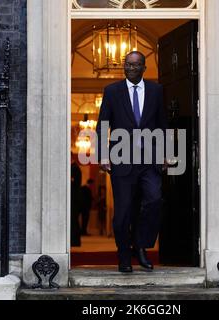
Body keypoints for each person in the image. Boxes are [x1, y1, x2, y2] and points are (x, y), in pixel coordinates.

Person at [95, 51, 168, 273]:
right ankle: (124, 255)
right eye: (128, 64)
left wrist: (164, 153)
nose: (131, 68)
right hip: (122, 159)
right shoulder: (112, 91)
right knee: (124, 212)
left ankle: (141, 246)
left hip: (149, 159)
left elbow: (162, 124)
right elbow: (103, 125)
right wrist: (103, 154)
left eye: (136, 65)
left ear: (144, 68)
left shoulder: (156, 90)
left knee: (154, 200)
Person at [70, 153, 82, 247]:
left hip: (75, 199)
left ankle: (75, 241)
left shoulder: (75, 168)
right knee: (72, 220)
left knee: (74, 220)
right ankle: (73, 241)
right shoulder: (72, 167)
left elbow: (76, 181)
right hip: (72, 198)